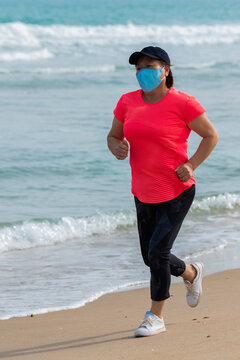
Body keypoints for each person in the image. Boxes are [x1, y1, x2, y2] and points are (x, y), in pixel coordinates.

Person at [107, 46, 219, 337]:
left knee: (157, 252)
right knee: (150, 256)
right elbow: (114, 135)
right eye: (138, 68)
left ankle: (155, 317)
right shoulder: (127, 102)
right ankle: (191, 273)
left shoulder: (184, 103)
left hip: (176, 191)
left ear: (166, 70)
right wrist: (116, 148)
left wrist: (192, 165)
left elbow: (210, 136)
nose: (143, 72)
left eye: (150, 66)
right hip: (142, 192)